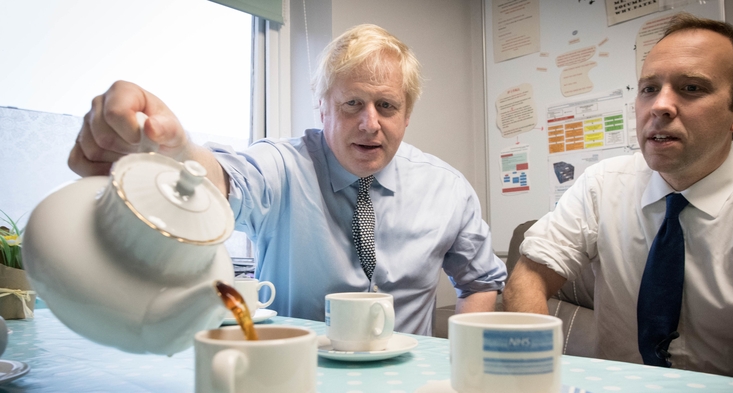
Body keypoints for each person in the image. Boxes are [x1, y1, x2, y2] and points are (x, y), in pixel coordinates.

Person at [68, 24, 506, 336]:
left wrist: (460, 361)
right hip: (294, 377)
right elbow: (224, 178)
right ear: (323, 109)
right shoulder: (282, 166)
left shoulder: (448, 190)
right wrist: (172, 154)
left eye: (387, 106)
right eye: (352, 103)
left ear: (407, 115)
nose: (370, 124)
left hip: (407, 384)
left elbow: (481, 282)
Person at [503, 12, 733, 393]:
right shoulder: (602, 184)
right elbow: (530, 275)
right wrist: (536, 384)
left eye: (691, 88)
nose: (660, 106)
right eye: (649, 89)